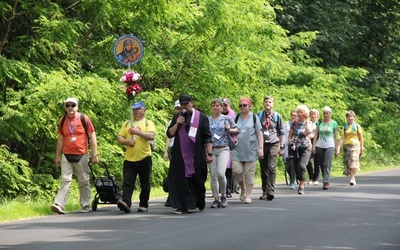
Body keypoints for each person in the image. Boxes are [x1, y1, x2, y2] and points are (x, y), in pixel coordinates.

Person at [165, 94, 213, 214]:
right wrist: (177, 124)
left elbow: (207, 136)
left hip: (196, 153)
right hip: (180, 154)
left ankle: (199, 200)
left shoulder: (201, 117)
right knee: (180, 179)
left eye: (186, 104)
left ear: (191, 103)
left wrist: (210, 153)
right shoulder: (177, 116)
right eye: (182, 105)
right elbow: (170, 134)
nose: (185, 106)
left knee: (197, 179)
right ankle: (182, 205)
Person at [51, 97, 99, 214]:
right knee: (65, 180)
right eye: (67, 105)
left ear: (77, 107)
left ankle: (85, 205)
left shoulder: (84, 118)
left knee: (83, 180)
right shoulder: (62, 120)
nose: (70, 108)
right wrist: (57, 156)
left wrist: (95, 154)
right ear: (65, 107)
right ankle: (59, 204)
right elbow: (61, 139)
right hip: (66, 155)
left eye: (73, 105)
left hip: (81, 154)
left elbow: (92, 136)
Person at [116, 101, 156, 213]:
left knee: (145, 183)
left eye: (139, 109)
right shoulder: (127, 123)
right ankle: (126, 202)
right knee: (128, 182)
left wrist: (137, 133)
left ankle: (143, 204)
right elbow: (119, 138)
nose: (136, 111)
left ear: (144, 111)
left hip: (144, 157)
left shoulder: (148, 123)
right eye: (134, 109)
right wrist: (127, 142)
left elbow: (151, 136)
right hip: (129, 158)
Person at [232, 97, 263, 204]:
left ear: (250, 106)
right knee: (236, 171)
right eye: (240, 105)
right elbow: (231, 131)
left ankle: (248, 195)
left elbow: (259, 134)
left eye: (245, 105)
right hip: (237, 150)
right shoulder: (236, 117)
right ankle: (243, 188)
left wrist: (260, 149)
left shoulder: (254, 117)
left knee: (249, 174)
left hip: (251, 150)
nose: (242, 107)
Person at [208, 98, 239, 208]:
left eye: (218, 105)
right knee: (213, 175)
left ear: (221, 107)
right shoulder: (207, 120)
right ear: (211, 107)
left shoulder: (227, 119)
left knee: (221, 173)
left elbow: (237, 130)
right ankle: (216, 199)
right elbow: (205, 136)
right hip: (211, 149)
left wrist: (229, 129)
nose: (215, 107)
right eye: (213, 105)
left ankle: (223, 196)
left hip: (224, 149)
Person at [258, 96, 284, 200]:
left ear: (273, 104)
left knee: (271, 167)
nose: (268, 104)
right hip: (262, 144)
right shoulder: (259, 115)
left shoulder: (277, 116)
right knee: (263, 168)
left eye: (270, 102)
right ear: (263, 104)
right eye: (266, 102)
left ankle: (270, 190)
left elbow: (281, 132)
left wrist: (281, 146)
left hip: (274, 143)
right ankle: (264, 190)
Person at [288, 105, 313, 195]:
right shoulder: (294, 123)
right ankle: (301, 179)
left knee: (302, 166)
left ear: (305, 113)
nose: (299, 114)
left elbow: (309, 132)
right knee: (296, 167)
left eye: (301, 112)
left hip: (306, 147)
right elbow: (290, 136)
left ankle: (301, 186)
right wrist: (291, 144)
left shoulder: (308, 122)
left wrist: (306, 122)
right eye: (298, 112)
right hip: (296, 148)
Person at [312, 106, 338, 190]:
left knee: (327, 163)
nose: (325, 115)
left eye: (327, 113)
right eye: (324, 113)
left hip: (330, 145)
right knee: (322, 163)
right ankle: (325, 177)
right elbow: (316, 135)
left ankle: (326, 181)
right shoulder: (319, 122)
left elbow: (335, 136)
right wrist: (314, 146)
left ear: (330, 114)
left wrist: (337, 148)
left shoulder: (334, 123)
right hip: (320, 145)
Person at [336, 110, 364, 185]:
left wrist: (362, 147)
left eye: (351, 117)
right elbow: (342, 138)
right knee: (348, 163)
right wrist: (338, 147)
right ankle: (352, 176)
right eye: (349, 117)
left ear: (354, 117)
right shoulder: (344, 127)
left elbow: (361, 137)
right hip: (346, 146)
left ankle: (352, 179)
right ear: (347, 118)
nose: (350, 118)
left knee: (354, 161)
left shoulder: (357, 126)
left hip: (356, 145)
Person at [221, 97, 239, 197]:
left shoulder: (234, 116)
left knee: (231, 168)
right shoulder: (217, 116)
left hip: (232, 143)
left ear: (229, 105)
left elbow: (238, 129)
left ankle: (232, 188)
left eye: (226, 105)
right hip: (221, 144)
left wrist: (229, 130)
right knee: (223, 168)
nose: (224, 107)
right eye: (222, 105)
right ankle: (225, 189)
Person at [283, 110, 298, 189]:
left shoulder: (299, 125)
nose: (294, 117)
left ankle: (292, 182)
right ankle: (293, 176)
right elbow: (282, 135)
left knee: (293, 164)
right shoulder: (285, 125)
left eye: (295, 115)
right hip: (287, 146)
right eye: (292, 115)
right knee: (288, 166)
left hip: (296, 146)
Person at [306, 108, 320, 185]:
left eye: (315, 114)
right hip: (309, 142)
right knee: (309, 161)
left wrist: (314, 136)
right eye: (312, 114)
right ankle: (311, 177)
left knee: (317, 162)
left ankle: (316, 178)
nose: (313, 115)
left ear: (317, 115)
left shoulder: (320, 123)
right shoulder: (308, 123)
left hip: (318, 142)